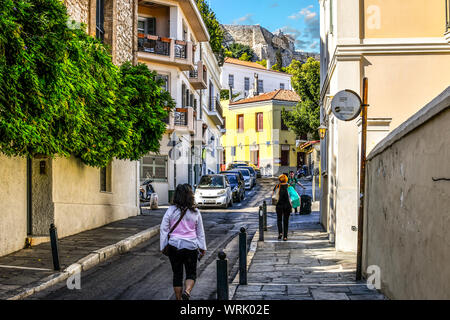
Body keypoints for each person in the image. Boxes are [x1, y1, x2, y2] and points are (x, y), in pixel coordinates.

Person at [160, 184, 206, 300]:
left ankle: (178, 299)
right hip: (191, 246)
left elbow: (164, 228)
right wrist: (202, 247)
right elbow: (200, 232)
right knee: (191, 273)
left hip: (174, 246)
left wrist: (164, 245)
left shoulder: (170, 210)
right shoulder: (195, 212)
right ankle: (187, 291)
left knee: (177, 274)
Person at [273, 174, 292, 241]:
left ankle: (280, 232)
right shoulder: (289, 186)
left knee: (279, 219)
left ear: (279, 180)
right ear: (286, 179)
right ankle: (285, 237)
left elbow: (273, 195)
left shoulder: (277, 186)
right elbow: (293, 196)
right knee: (286, 221)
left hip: (279, 205)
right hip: (287, 206)